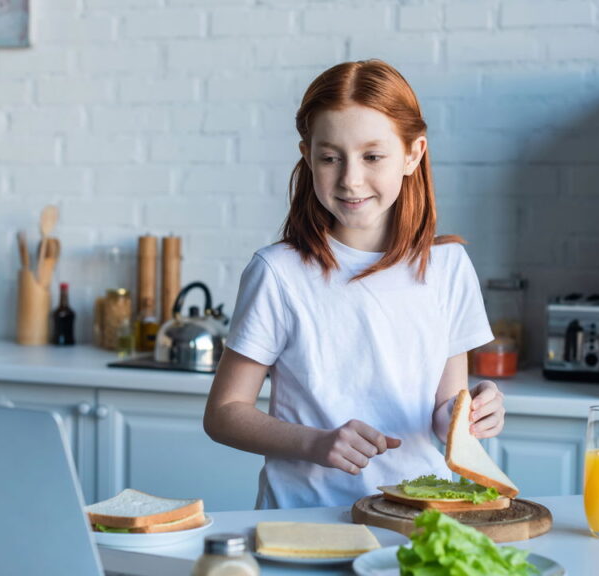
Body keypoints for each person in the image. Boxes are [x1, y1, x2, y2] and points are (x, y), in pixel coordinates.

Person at [203, 60, 505, 509]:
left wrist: (472, 414)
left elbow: (444, 411)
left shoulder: (448, 266)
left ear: (413, 154)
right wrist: (317, 444)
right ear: (307, 156)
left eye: (372, 156)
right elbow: (224, 414)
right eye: (330, 157)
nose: (350, 179)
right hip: (306, 518)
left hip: (420, 517)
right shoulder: (278, 272)